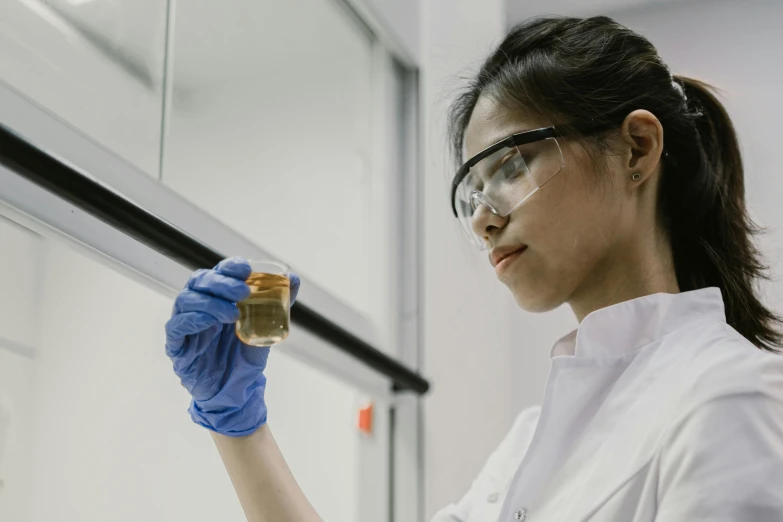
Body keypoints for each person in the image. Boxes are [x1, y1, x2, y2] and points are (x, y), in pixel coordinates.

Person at [164, 16, 783, 522]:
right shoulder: (528, 443)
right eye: (472, 194)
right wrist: (239, 425)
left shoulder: (727, 398)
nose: (485, 220)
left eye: (512, 166)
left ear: (637, 149)